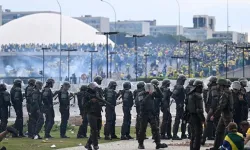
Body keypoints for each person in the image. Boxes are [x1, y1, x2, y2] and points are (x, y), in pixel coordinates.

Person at [137, 83, 168, 149]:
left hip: (151, 113)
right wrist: (149, 94)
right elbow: (142, 102)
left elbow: (161, 96)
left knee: (155, 129)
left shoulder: (152, 94)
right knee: (142, 129)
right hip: (144, 114)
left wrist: (157, 88)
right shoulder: (141, 94)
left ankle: (158, 143)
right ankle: (140, 144)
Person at [84, 82, 113, 150]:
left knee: (98, 129)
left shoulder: (97, 93)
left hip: (98, 113)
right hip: (91, 114)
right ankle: (95, 145)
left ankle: (88, 144)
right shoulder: (86, 94)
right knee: (94, 130)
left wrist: (103, 103)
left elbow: (101, 101)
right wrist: (91, 101)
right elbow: (84, 105)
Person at [210, 78, 233, 150]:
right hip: (224, 115)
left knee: (229, 132)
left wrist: (214, 114)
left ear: (222, 85)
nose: (217, 86)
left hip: (226, 115)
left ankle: (228, 147)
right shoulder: (227, 92)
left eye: (218, 85)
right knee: (218, 131)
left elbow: (221, 106)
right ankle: (216, 147)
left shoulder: (225, 93)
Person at [187, 79, 205, 150]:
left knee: (193, 135)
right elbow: (199, 110)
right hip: (197, 118)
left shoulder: (190, 95)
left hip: (191, 117)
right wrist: (203, 119)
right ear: (199, 87)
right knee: (198, 135)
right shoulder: (198, 96)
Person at [202, 76, 217, 145]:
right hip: (213, 109)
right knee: (210, 123)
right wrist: (213, 110)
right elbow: (214, 100)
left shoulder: (212, 88)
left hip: (211, 109)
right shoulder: (213, 88)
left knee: (209, 123)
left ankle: (205, 138)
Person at [172, 74, 186, 140]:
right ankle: (174, 135)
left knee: (184, 119)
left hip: (181, 105)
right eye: (183, 80)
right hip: (179, 105)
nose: (184, 82)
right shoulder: (179, 87)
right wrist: (179, 103)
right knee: (177, 120)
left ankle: (183, 134)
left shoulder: (180, 86)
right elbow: (174, 95)